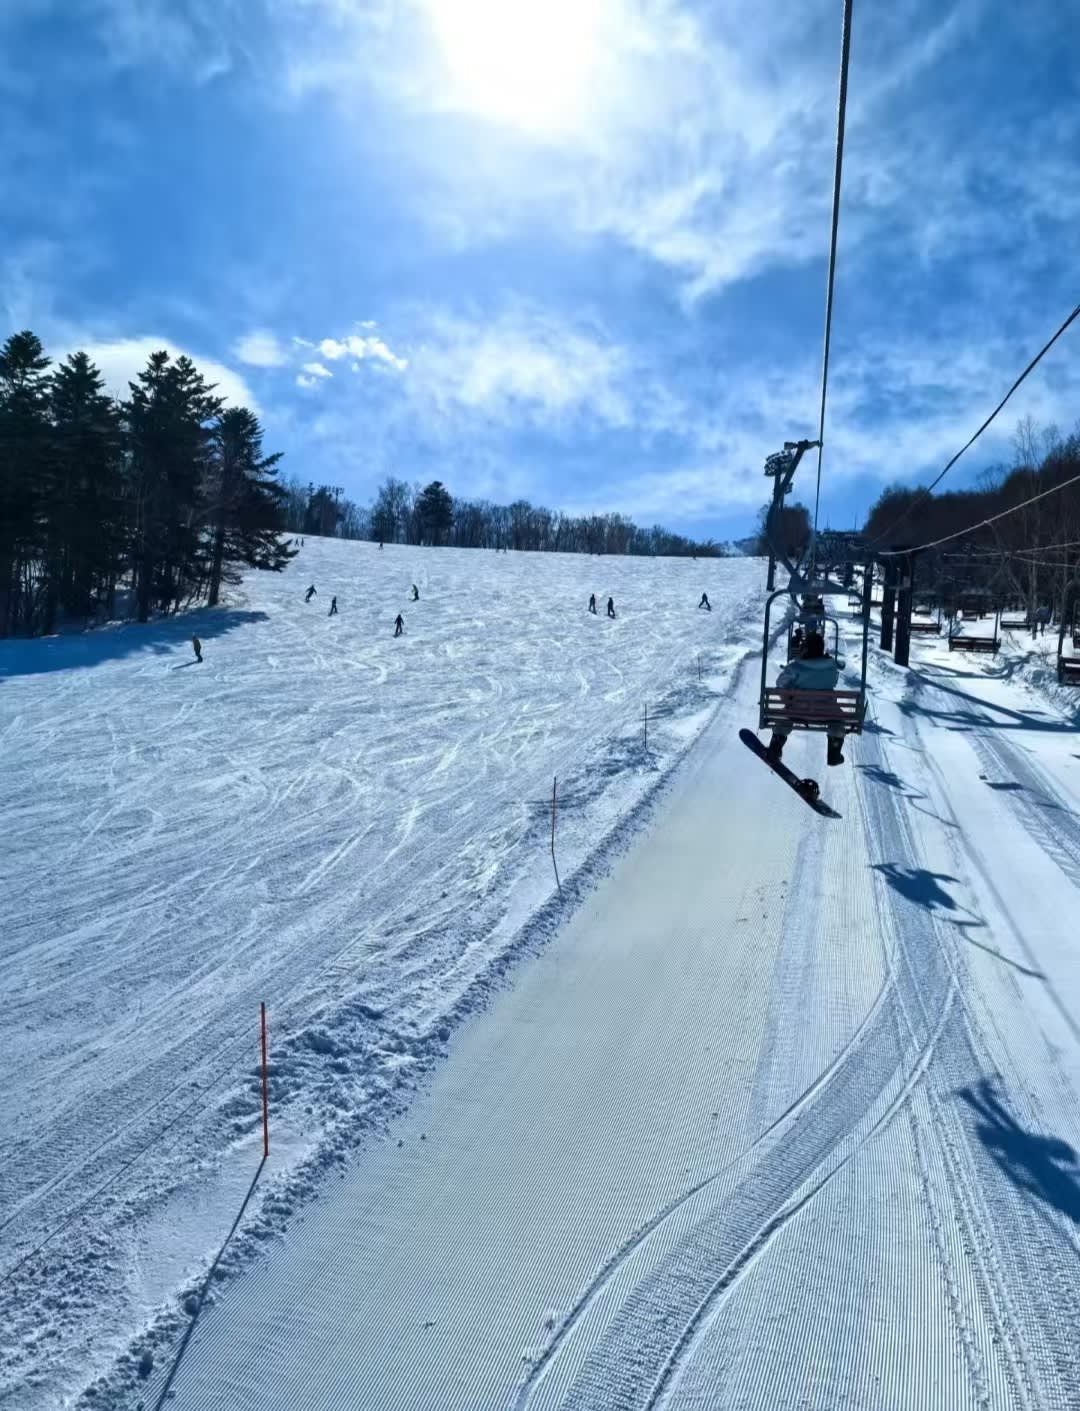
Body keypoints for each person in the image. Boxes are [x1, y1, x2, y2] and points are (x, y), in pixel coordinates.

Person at [767, 631, 846, 767]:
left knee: (785, 715)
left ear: (806, 648)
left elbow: (780, 683)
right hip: (827, 713)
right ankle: (834, 751)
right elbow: (833, 682)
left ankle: (776, 745)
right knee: (838, 723)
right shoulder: (831, 666)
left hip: (797, 711)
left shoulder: (796, 666)